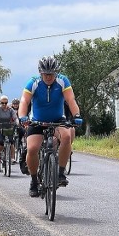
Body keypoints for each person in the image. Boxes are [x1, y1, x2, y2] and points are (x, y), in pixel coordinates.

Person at [18, 56, 81, 197]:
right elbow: (24, 101)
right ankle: (34, 180)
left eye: (51, 73)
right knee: (33, 148)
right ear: (40, 73)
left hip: (58, 119)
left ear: (56, 72)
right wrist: (22, 117)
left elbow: (71, 100)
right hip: (37, 121)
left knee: (66, 136)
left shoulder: (63, 81)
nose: (48, 76)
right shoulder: (33, 82)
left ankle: (60, 173)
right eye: (45, 73)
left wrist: (76, 115)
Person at [0, 95, 18, 165]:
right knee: (1, 141)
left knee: (11, 141)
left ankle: (12, 158)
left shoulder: (10, 109)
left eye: (5, 103)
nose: (4, 104)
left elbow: (15, 118)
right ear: (0, 102)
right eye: (2, 103)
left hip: (8, 128)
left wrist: (17, 123)